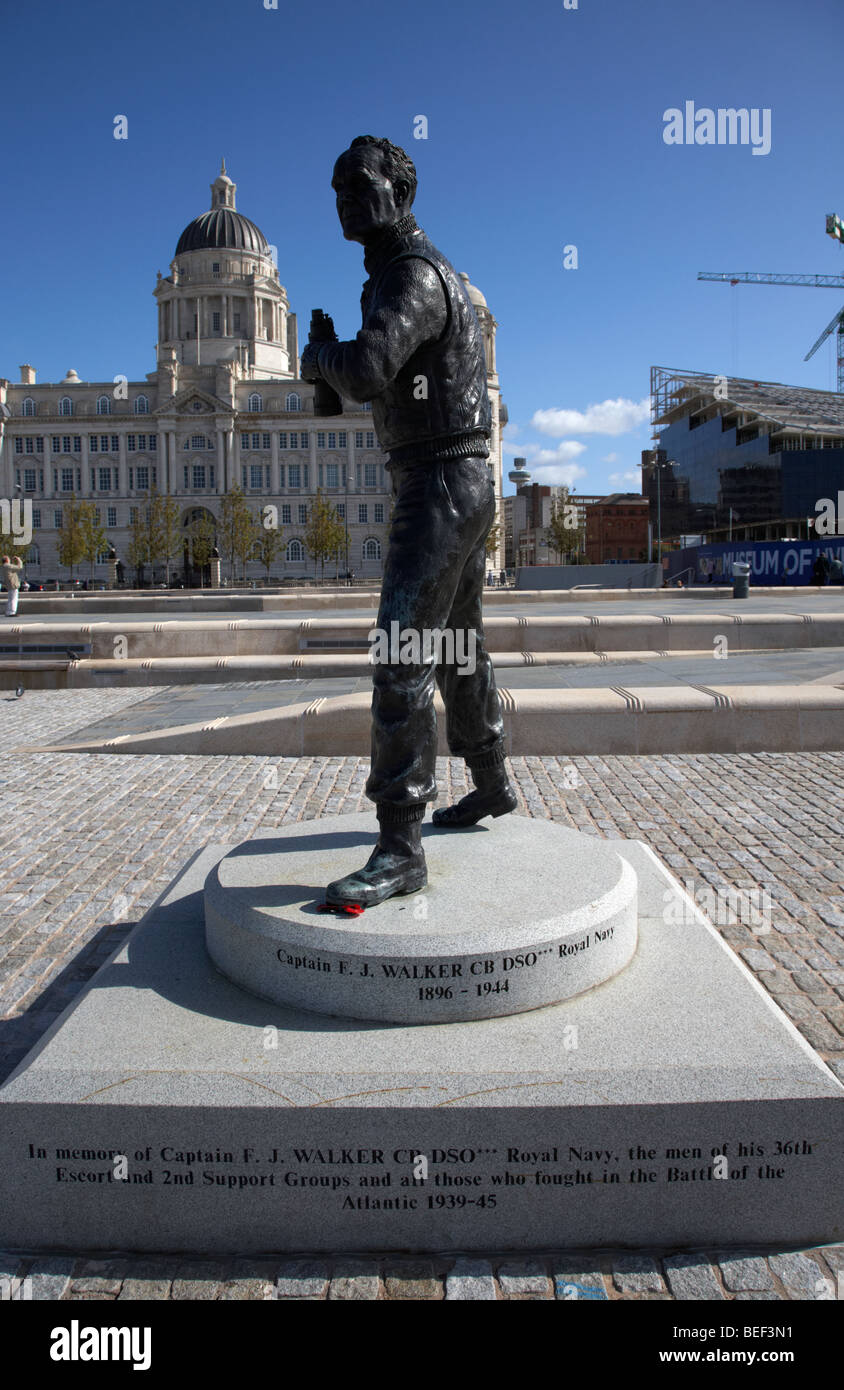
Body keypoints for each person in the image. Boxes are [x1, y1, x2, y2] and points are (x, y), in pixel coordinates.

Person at [301, 135, 516, 907]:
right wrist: (333, 356)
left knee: (400, 658)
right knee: (459, 643)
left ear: (401, 192)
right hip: (453, 479)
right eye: (337, 191)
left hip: (438, 484)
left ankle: (399, 848)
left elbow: (364, 372)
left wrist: (323, 353)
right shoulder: (404, 273)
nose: (346, 203)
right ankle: (490, 780)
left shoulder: (415, 277)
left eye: (359, 187)